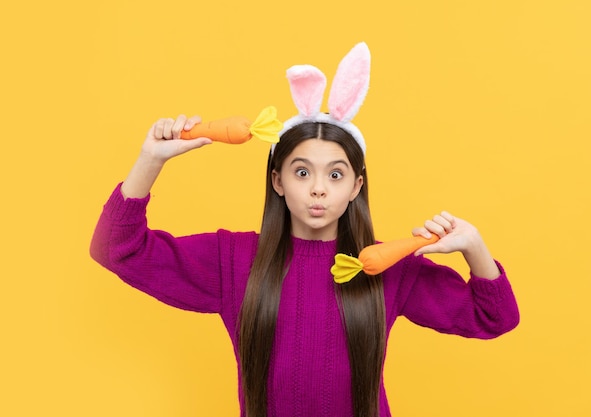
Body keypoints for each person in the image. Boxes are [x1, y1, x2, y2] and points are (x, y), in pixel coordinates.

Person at [90, 43, 519, 417]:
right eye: (301, 172)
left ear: (356, 186)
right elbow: (116, 249)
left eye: (335, 175)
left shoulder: (388, 268)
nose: (317, 189)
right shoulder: (234, 262)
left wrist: (474, 246)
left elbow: (495, 318)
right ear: (278, 181)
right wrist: (151, 159)